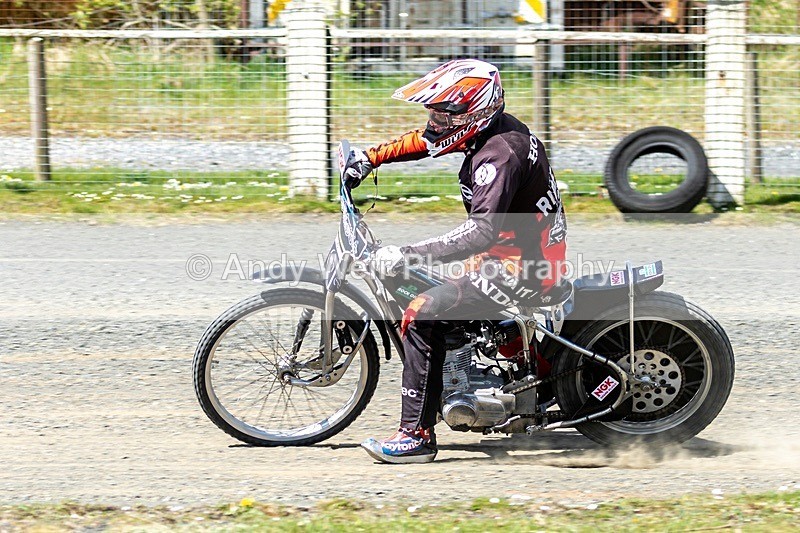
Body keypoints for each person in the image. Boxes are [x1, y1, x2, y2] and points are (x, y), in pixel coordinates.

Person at [345, 59, 568, 464]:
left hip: (522, 264)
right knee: (440, 294)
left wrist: (405, 252)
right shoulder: (488, 129)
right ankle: (534, 372)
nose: (434, 121)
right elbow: (428, 140)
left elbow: (479, 232)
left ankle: (415, 437)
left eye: (443, 112)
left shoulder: (499, 157)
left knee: (421, 311)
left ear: (474, 111)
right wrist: (370, 157)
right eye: (432, 110)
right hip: (516, 248)